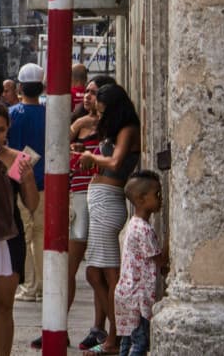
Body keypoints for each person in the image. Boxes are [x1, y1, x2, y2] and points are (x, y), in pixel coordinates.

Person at [76, 83, 141, 354]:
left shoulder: (128, 129)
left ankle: (118, 334)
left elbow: (115, 163)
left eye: (104, 112)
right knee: (97, 270)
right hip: (101, 198)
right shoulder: (116, 129)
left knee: (104, 271)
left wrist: (92, 157)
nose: (100, 116)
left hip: (109, 199)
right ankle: (117, 332)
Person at [56, 74, 118, 351]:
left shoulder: (110, 126)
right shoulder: (80, 122)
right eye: (88, 92)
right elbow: (59, 151)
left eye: (94, 92)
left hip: (98, 197)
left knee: (98, 270)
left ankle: (102, 328)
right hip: (79, 195)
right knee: (74, 269)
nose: (88, 97)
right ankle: (59, 324)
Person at [0, 101, 40, 356]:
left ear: (8, 129)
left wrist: (26, 177)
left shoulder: (17, 158)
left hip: (9, 236)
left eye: (1, 129)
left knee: (3, 305)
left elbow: (31, 203)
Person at [112, 170, 167, 356]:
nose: (161, 199)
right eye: (157, 195)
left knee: (127, 342)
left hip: (126, 293)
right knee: (140, 343)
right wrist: (170, 242)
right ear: (142, 199)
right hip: (138, 297)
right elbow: (160, 260)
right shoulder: (144, 229)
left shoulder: (133, 225)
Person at [9, 63, 46, 303]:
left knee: (25, 233)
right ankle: (42, 285)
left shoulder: (12, 114)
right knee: (41, 235)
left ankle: (30, 286)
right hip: (45, 181)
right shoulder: (50, 114)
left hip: (19, 180)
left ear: (20, 87)